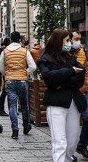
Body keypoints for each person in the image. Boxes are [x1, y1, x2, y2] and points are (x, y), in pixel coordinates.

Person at [38, 28, 86, 162]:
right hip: (56, 103)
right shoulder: (46, 59)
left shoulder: (70, 57)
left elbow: (81, 75)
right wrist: (70, 71)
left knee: (72, 141)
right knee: (60, 142)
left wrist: (62, 79)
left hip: (73, 102)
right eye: (67, 40)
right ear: (59, 41)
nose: (69, 43)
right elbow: (50, 79)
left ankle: (68, 159)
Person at [0, 31, 36, 139]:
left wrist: (7, 74)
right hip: (22, 81)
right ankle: (26, 126)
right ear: (20, 40)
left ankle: (15, 130)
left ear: (10, 39)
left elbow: (1, 68)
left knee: (12, 106)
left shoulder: (5, 52)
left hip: (10, 80)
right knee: (24, 105)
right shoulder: (24, 51)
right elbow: (33, 66)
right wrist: (25, 72)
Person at [69, 30, 88, 159]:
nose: (78, 42)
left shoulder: (81, 53)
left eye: (79, 39)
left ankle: (81, 145)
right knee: (70, 123)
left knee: (86, 118)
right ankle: (69, 152)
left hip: (82, 91)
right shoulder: (63, 54)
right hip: (69, 93)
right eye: (76, 39)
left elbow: (83, 72)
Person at [0, 38, 10, 116]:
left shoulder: (2, 50)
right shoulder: (6, 51)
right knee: (5, 92)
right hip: (8, 74)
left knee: (5, 92)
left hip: (5, 74)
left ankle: (2, 109)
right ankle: (2, 109)